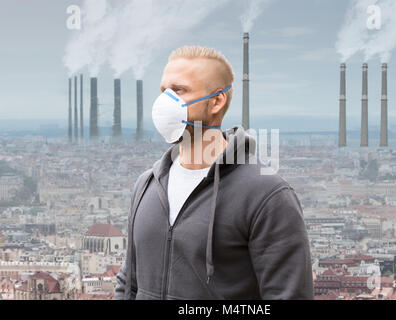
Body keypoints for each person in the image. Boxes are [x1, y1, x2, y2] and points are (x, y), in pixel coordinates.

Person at [114, 45, 313, 300]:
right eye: (163, 91)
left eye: (179, 90)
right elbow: (128, 283)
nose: (165, 102)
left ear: (217, 101)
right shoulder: (147, 185)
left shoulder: (267, 195)